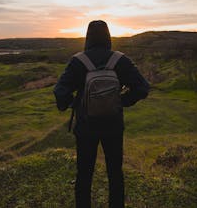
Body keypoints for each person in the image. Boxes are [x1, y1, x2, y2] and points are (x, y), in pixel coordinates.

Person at [53, 20, 150, 208]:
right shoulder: (120, 60)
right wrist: (122, 102)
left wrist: (74, 104)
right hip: (113, 125)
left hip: (85, 126)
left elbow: (60, 92)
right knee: (115, 173)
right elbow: (143, 88)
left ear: (87, 37)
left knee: (84, 174)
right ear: (108, 36)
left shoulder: (78, 61)